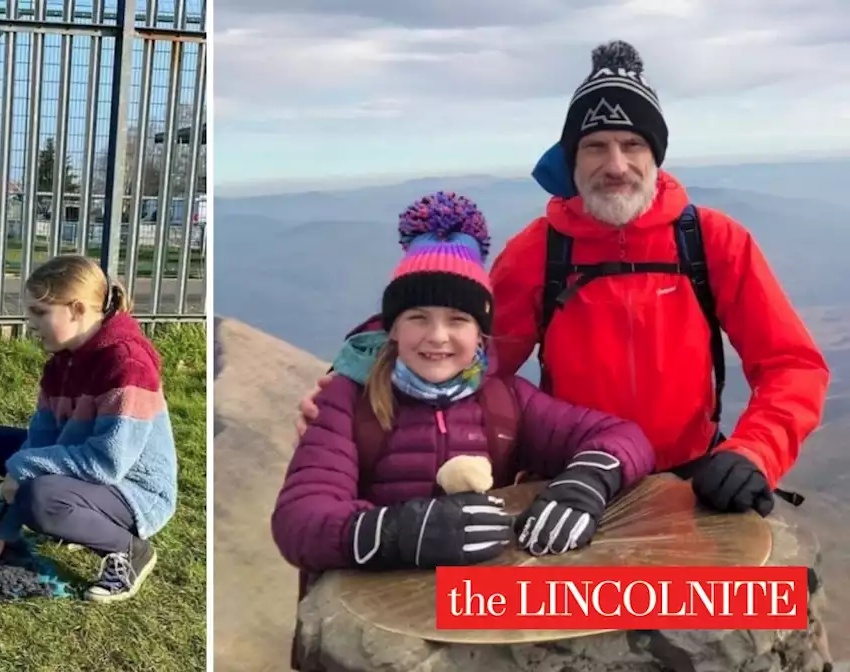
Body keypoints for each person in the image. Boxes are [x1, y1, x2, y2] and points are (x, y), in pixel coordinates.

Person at [296, 40, 830, 519]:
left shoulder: (712, 241)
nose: (615, 164)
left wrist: (754, 452)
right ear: (571, 160)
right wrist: (352, 393)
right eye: (595, 146)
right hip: (574, 486)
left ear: (655, 155)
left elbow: (792, 366)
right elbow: (460, 347)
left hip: (692, 485)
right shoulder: (540, 250)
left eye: (632, 144)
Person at [272, 191, 657, 579]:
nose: (437, 336)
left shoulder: (504, 400)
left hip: (482, 609)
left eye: (458, 320)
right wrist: (398, 532)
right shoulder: (347, 400)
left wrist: (585, 484)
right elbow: (299, 520)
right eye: (418, 318)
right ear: (392, 329)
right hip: (370, 622)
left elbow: (624, 436)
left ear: (481, 334)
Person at [0, 254, 178, 603]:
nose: (30, 323)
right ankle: (71, 514)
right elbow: (40, 440)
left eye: (40, 312)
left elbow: (106, 463)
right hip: (93, 472)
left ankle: (129, 550)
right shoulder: (61, 364)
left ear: (77, 309)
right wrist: (2, 527)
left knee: (38, 498)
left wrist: (21, 473)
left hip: (134, 491)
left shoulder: (128, 365)